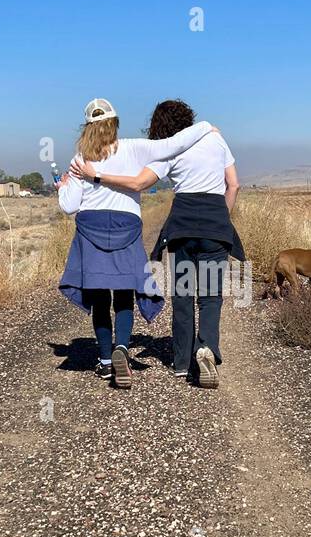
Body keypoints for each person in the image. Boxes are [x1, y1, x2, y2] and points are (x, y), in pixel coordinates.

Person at [70, 99, 243, 389]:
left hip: (183, 225)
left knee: (184, 293)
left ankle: (182, 363)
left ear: (160, 126)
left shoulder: (170, 151)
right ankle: (207, 348)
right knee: (211, 295)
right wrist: (220, 219)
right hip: (215, 222)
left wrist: (96, 176)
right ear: (188, 116)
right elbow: (234, 184)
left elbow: (138, 184)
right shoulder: (216, 139)